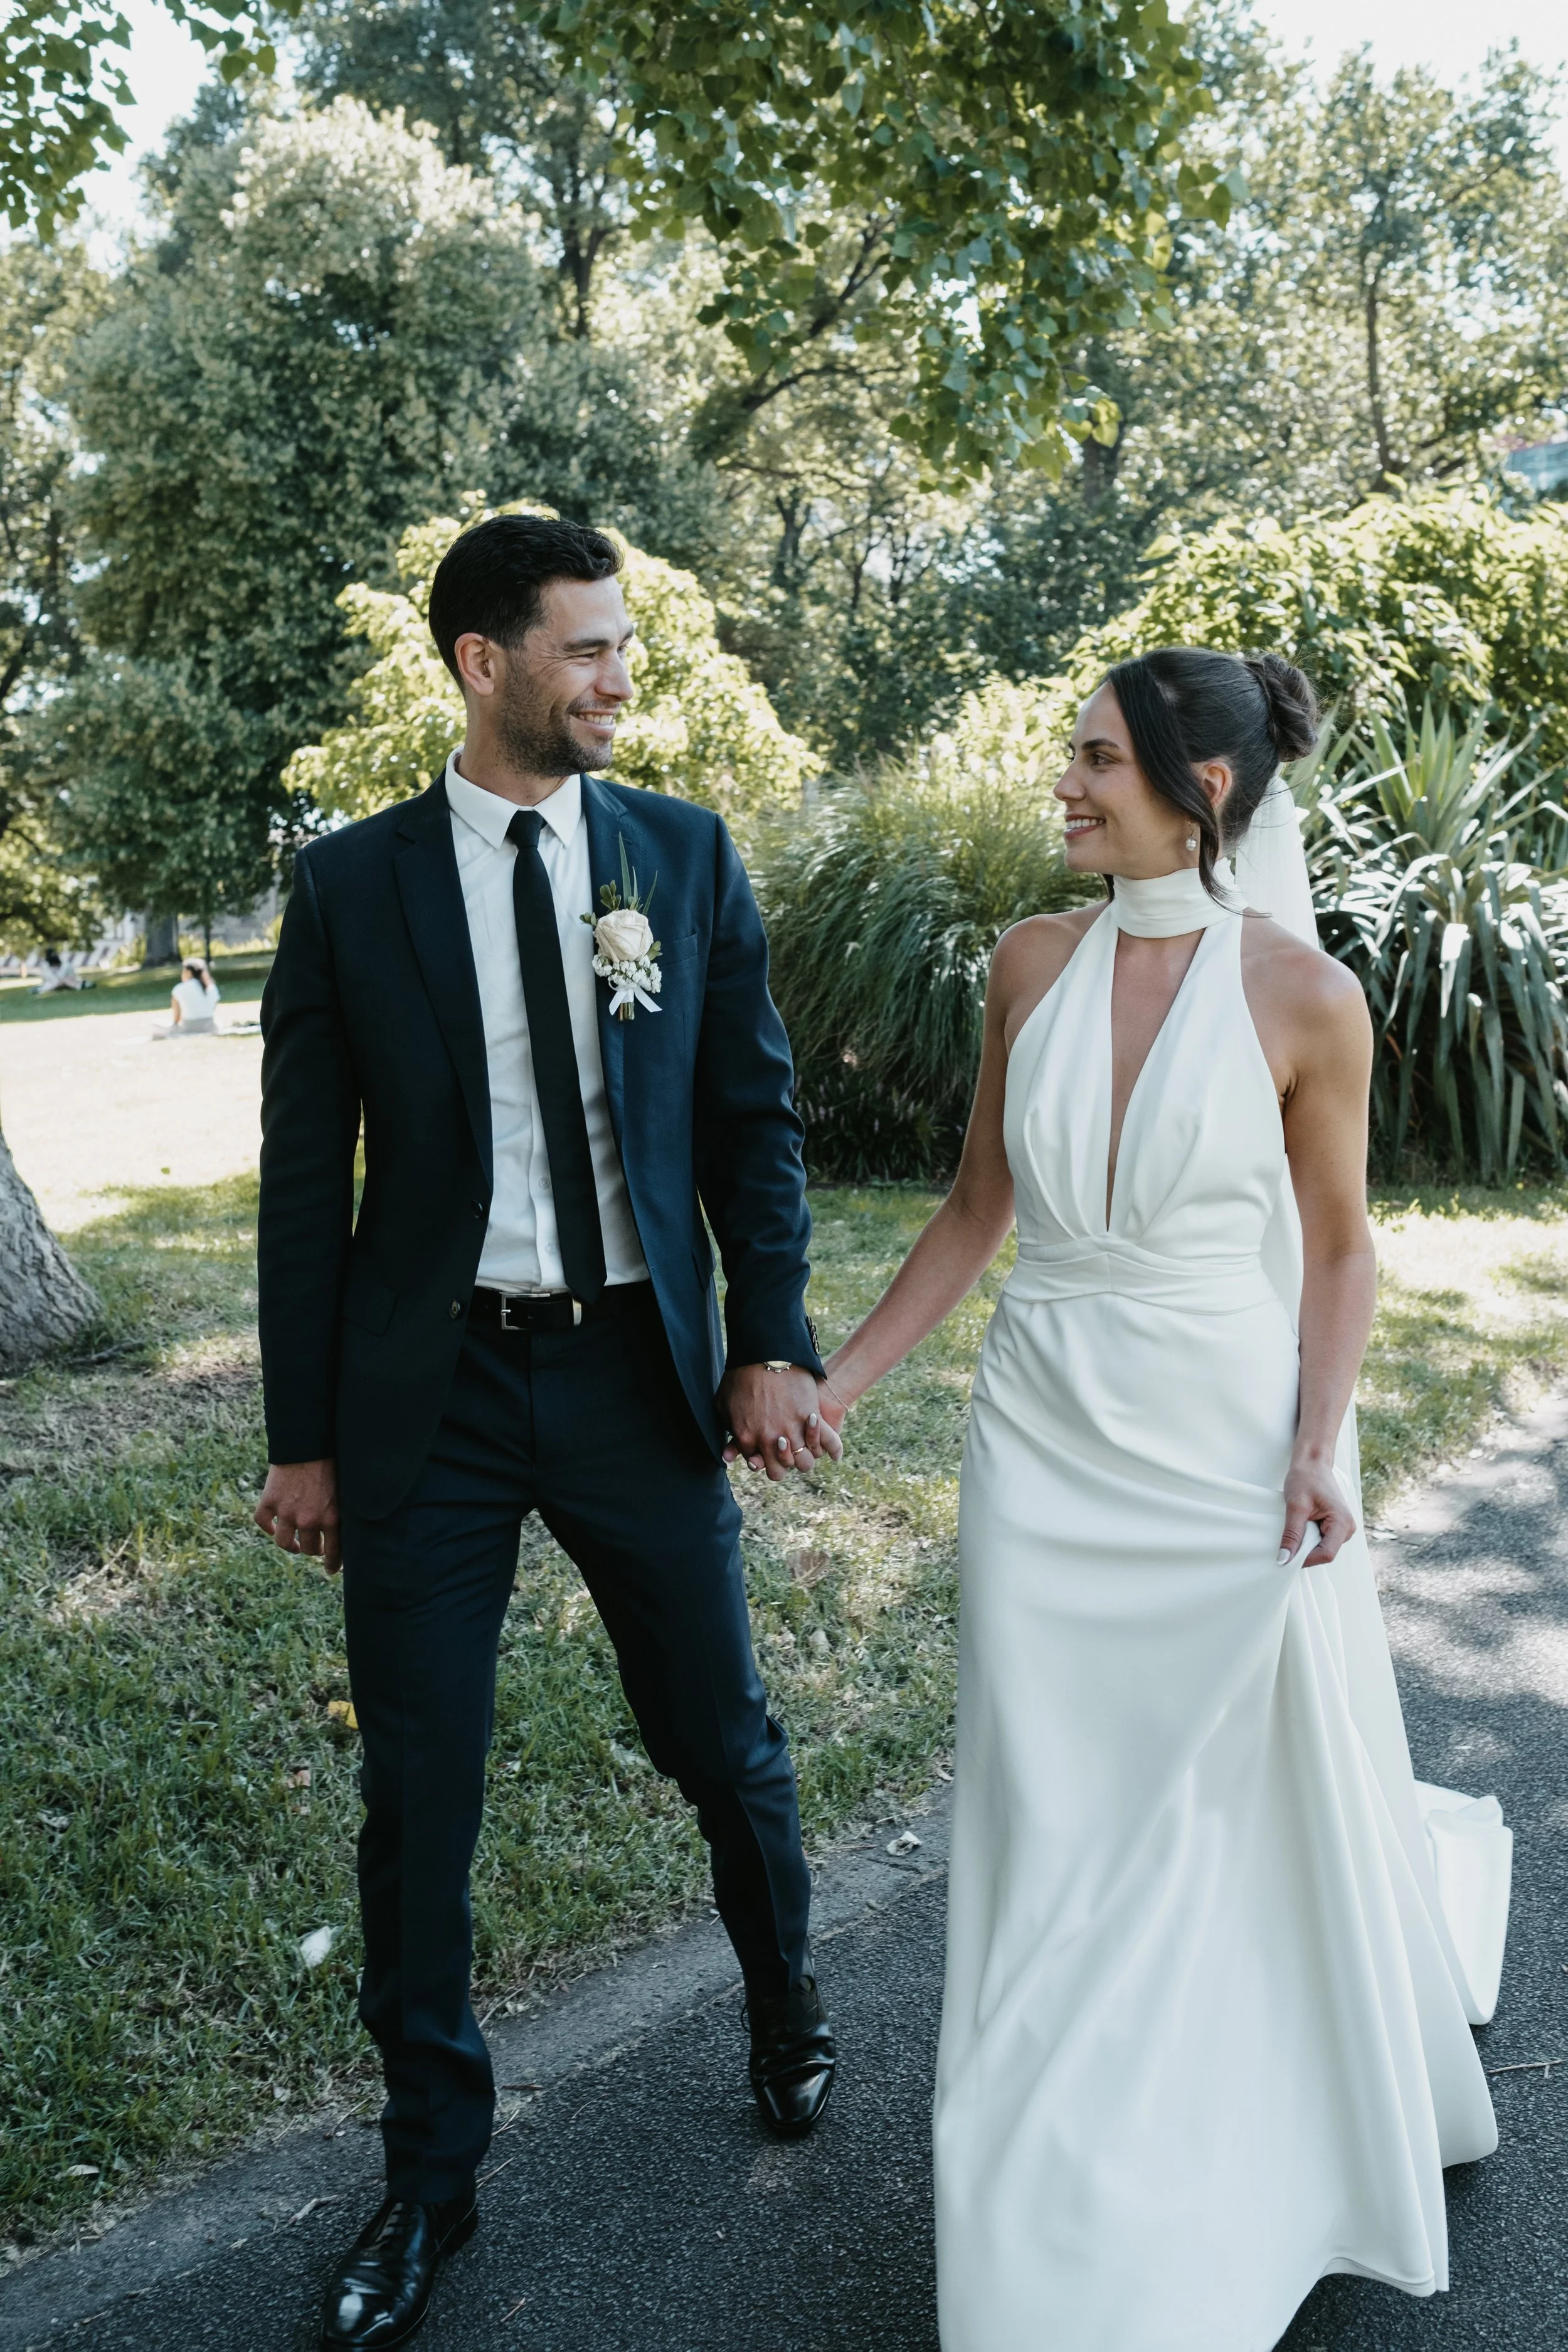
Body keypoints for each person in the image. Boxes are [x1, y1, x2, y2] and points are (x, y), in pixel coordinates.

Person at [814, 648, 1512, 2351]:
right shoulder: (1024, 962)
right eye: (1067, 751)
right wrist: (840, 1379)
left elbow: (1340, 1244)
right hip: (1041, 1438)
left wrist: (1314, 1442)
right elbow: (978, 1203)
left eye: (1096, 758)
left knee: (1199, 1819)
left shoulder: (1305, 997)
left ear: (1199, 792)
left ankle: (1221, 2161)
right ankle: (1041, 2193)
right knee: (1051, 1814)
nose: (1063, 782)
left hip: (1216, 1449)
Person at [254, 514, 843, 2352]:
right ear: (480, 659)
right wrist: (301, 1437)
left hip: (631, 1381)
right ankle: (429, 2173)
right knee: (416, 1792)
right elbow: (299, 1187)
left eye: (620, 647)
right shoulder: (351, 886)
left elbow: (749, 1127)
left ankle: (782, 1997)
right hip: (426, 1398)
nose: (616, 677)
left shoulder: (677, 851)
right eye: (583, 647)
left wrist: (769, 1344)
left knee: (719, 1735)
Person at [156, 957, 220, 1036]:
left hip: (188, 1027)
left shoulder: (179, 989)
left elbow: (177, 1019)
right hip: (209, 1027)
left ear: (188, 972)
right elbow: (212, 1009)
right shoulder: (212, 988)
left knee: (156, 1025)